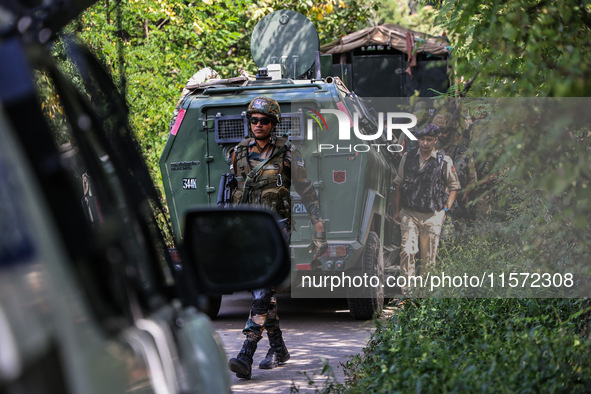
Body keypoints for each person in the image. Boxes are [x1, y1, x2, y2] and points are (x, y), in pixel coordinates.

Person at [227, 96, 327, 379]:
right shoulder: (238, 153)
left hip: (277, 232)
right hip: (248, 233)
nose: (258, 125)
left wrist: (318, 225)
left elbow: (307, 191)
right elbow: (231, 191)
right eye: (254, 120)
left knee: (262, 291)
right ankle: (279, 348)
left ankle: (246, 351)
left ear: (273, 124)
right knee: (264, 294)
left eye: (264, 120)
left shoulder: (287, 154)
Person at [393, 123, 461, 295]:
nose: (424, 143)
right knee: (407, 251)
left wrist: (445, 211)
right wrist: (397, 211)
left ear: (435, 140)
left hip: (433, 214)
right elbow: (398, 186)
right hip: (409, 212)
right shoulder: (408, 158)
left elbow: (454, 186)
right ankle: (408, 294)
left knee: (428, 258)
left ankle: (424, 297)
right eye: (422, 139)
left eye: (429, 140)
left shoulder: (443, 161)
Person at [433, 112, 477, 223]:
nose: (441, 134)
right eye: (438, 131)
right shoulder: (428, 148)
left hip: (455, 205)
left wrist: (463, 193)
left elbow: (472, 179)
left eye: (445, 131)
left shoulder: (462, 151)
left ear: (451, 131)